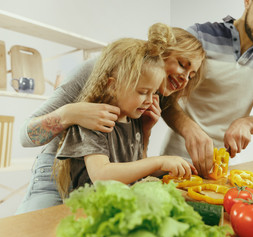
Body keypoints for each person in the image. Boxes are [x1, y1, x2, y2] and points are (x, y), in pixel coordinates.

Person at [16, 23, 205, 213]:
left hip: (97, 192)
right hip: (56, 175)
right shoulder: (103, 71)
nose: (185, 79)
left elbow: (132, 158)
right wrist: (71, 113)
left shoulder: (143, 100)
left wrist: (146, 132)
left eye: (191, 75)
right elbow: (25, 137)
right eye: (182, 64)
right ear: (160, 52)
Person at [161, 0, 253, 178]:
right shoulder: (200, 35)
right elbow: (162, 94)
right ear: (248, 2)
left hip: (224, 170)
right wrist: (189, 129)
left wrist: (247, 123)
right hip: (178, 163)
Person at [53, 30, 197, 199]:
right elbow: (101, 175)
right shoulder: (94, 121)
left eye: (154, 93)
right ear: (112, 86)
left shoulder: (134, 119)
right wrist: (159, 161)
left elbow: (138, 166)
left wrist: (170, 162)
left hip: (122, 207)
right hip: (89, 213)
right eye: (143, 92)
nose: (150, 100)